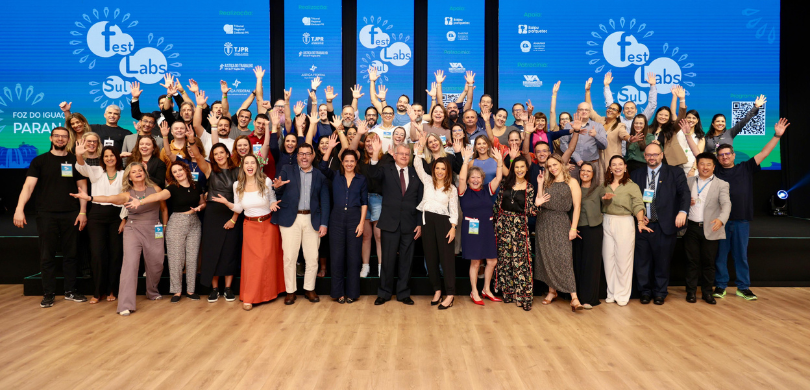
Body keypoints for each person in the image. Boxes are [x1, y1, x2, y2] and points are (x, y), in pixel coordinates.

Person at [70, 162, 167, 316]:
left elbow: (165, 197)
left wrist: (163, 224)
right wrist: (90, 197)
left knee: (156, 263)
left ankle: (152, 291)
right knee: (130, 265)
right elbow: (111, 198)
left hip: (154, 228)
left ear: (144, 173)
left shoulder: (155, 189)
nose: (137, 173)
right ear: (129, 176)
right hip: (133, 228)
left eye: (140, 170)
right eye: (133, 171)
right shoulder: (127, 194)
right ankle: (125, 304)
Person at [712, 118, 790, 301]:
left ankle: (743, 287)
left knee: (741, 255)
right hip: (720, 220)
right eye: (721, 155)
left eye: (727, 154)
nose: (724, 157)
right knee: (720, 256)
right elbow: (696, 155)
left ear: (733, 155)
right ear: (717, 157)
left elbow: (764, 152)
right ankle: (720, 286)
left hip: (741, 219)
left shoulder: (746, 167)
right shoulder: (715, 172)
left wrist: (777, 136)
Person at [13, 127, 88, 307]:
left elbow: (82, 188)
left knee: (71, 254)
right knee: (47, 255)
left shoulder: (74, 160)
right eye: (57, 136)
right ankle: (49, 293)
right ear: (51, 138)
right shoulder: (40, 161)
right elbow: (28, 186)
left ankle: (70, 291)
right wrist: (19, 208)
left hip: (71, 213)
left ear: (68, 139)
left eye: (64, 137)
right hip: (46, 214)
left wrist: (83, 211)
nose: (60, 139)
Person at [211, 155, 285, 310]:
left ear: (257, 166)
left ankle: (269, 294)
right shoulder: (237, 185)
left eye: (253, 162)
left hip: (268, 225)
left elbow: (272, 199)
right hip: (250, 226)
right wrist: (227, 203)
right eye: (247, 163)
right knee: (253, 263)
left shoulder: (266, 181)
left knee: (269, 260)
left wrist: (272, 205)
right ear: (242, 166)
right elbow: (239, 208)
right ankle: (251, 297)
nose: (250, 165)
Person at [126, 161, 205, 303]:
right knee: (176, 259)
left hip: (195, 223)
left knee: (192, 258)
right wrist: (141, 201)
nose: (178, 173)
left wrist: (201, 207)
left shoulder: (196, 186)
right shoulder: (172, 188)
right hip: (176, 223)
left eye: (180, 170)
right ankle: (177, 291)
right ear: (172, 175)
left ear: (186, 170)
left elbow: (202, 202)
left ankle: (191, 290)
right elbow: (157, 196)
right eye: (175, 172)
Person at [630, 143, 690, 305]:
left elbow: (684, 193)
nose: (652, 157)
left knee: (662, 262)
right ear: (644, 156)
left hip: (665, 225)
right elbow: (631, 198)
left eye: (655, 154)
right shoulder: (636, 174)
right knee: (642, 261)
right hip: (643, 224)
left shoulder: (675, 172)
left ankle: (660, 292)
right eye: (649, 155)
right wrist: (639, 216)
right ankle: (644, 291)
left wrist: (683, 212)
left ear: (662, 155)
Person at [366, 140, 424, 306]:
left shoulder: (415, 173)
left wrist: (419, 222)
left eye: (407, 154)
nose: (404, 156)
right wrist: (376, 155)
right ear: (395, 155)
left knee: (407, 261)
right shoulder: (385, 169)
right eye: (401, 154)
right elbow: (372, 176)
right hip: (390, 223)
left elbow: (420, 200)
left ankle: (403, 293)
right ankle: (384, 293)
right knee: (388, 260)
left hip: (410, 224)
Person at [271, 143, 330, 305]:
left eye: (307, 154)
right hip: (290, 219)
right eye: (301, 154)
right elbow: (279, 190)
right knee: (289, 257)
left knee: (312, 258)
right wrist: (276, 188)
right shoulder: (286, 169)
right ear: (297, 156)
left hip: (313, 220)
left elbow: (325, 202)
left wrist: (324, 223)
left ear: (312, 156)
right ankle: (290, 291)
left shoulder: (320, 176)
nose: (304, 157)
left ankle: (309, 289)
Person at [189, 142, 241, 303]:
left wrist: (233, 219)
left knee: (229, 252)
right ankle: (214, 289)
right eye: (215, 154)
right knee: (211, 252)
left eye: (221, 152)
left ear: (227, 154)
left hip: (231, 214)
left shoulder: (238, 172)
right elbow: (197, 156)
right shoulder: (209, 169)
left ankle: (227, 288)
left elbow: (241, 199)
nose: (219, 156)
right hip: (212, 215)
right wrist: (191, 141)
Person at [319, 134, 368, 303]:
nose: (349, 164)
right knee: (337, 257)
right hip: (337, 220)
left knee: (354, 258)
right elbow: (322, 166)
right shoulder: (335, 176)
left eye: (352, 161)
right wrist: (330, 148)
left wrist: (362, 223)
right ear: (342, 162)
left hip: (355, 220)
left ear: (356, 163)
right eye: (346, 161)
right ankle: (338, 293)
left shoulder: (361, 179)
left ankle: (352, 293)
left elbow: (364, 203)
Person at [74, 140, 124, 303]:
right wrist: (79, 154)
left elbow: (128, 197)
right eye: (106, 156)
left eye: (112, 155)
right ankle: (98, 292)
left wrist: (125, 218)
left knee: (116, 254)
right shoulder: (96, 171)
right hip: (97, 215)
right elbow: (81, 167)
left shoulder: (124, 174)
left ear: (117, 157)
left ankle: (112, 290)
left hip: (117, 216)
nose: (109, 158)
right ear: (102, 158)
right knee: (97, 254)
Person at [414, 134, 459, 310]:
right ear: (434, 169)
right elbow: (417, 164)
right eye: (437, 168)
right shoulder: (427, 181)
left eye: (443, 168)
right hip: (427, 223)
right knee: (431, 258)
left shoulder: (452, 189)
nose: (440, 171)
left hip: (444, 224)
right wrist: (420, 147)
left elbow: (453, 210)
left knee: (446, 260)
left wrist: (453, 227)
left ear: (447, 171)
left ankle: (450, 294)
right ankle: (437, 290)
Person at [534, 155, 584, 312]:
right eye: (549, 166)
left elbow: (577, 207)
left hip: (561, 221)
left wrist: (573, 228)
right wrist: (540, 184)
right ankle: (551, 291)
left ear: (562, 164)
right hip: (544, 221)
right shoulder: (548, 181)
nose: (552, 168)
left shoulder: (572, 182)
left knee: (564, 258)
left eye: (554, 164)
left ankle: (574, 297)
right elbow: (539, 201)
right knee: (547, 256)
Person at [458, 145, 504, 305]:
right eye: (473, 177)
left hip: (486, 228)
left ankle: (486, 289)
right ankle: (474, 291)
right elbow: (462, 179)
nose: (475, 180)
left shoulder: (487, 190)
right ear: (469, 180)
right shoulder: (464, 191)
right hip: (471, 230)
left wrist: (499, 161)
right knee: (476, 262)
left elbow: (498, 179)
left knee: (492, 261)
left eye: (478, 177)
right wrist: (465, 161)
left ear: (482, 179)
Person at [684, 153, 731, 304]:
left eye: (708, 164)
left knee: (709, 263)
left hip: (711, 228)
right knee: (691, 262)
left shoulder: (722, 184)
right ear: (697, 165)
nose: (705, 167)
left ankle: (707, 293)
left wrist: (721, 220)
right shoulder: (689, 181)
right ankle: (691, 292)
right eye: (702, 164)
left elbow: (726, 204)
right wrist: (685, 202)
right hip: (691, 227)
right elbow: (678, 200)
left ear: (714, 167)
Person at [493, 155, 538, 310]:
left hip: (520, 227)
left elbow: (531, 212)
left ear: (526, 169)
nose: (519, 170)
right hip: (503, 226)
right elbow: (498, 206)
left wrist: (536, 205)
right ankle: (509, 293)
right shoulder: (505, 184)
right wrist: (495, 226)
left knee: (521, 263)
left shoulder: (530, 187)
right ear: (513, 169)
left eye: (522, 167)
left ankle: (523, 296)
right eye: (517, 167)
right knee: (505, 261)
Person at [601, 155, 647, 306]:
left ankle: (622, 295)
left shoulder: (632, 186)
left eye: (620, 164)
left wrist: (640, 221)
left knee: (623, 260)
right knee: (608, 260)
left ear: (625, 166)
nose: (617, 167)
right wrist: (605, 200)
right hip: (607, 221)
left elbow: (638, 205)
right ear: (610, 168)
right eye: (614, 164)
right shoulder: (605, 184)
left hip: (624, 222)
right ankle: (611, 292)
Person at [573, 162, 603, 309]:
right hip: (577, 231)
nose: (585, 173)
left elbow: (606, 202)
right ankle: (576, 296)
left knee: (591, 265)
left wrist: (607, 199)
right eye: (583, 170)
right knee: (578, 263)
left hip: (593, 231)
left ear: (593, 174)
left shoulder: (599, 189)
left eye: (588, 171)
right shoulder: (574, 188)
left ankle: (589, 298)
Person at [356, 131, 385, 278]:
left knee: (379, 236)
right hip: (363, 201)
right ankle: (365, 266)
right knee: (366, 235)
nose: (370, 144)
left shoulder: (384, 159)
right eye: (367, 141)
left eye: (373, 141)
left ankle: (381, 267)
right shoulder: (360, 159)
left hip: (378, 199)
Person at [559, 102, 607, 183]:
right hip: (573, 165)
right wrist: (576, 158)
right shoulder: (569, 125)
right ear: (577, 111)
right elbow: (563, 144)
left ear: (590, 112)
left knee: (592, 191)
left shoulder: (598, 126)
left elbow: (604, 146)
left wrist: (596, 135)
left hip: (592, 165)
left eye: (586, 110)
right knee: (572, 190)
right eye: (581, 109)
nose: (584, 111)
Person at [60, 103, 131, 152]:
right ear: (105, 115)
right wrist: (66, 112)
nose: (112, 115)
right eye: (110, 113)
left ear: (119, 117)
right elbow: (74, 125)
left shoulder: (126, 133)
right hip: (95, 163)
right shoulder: (94, 128)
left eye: (115, 114)